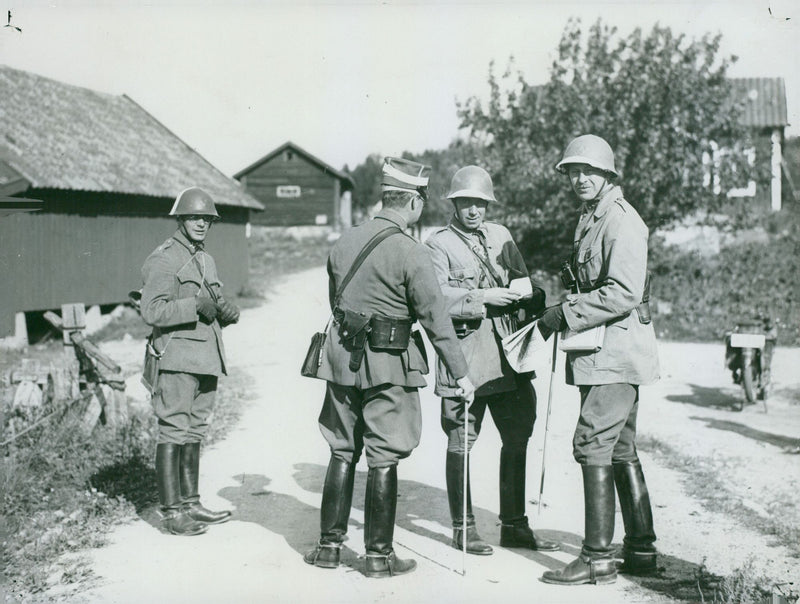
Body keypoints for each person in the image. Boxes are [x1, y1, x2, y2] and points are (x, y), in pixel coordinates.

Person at [303, 157, 475, 578]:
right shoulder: (411, 252)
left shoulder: (344, 241)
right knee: (383, 455)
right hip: (388, 363)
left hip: (342, 360)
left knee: (342, 448)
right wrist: (461, 374)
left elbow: (335, 303)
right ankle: (378, 556)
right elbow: (436, 319)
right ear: (414, 201)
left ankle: (328, 547)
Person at [538, 135, 660, 585]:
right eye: (573, 172)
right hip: (604, 351)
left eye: (588, 171)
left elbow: (624, 292)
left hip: (615, 352)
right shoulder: (592, 217)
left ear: (609, 175)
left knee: (592, 443)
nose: (579, 179)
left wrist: (565, 314)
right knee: (620, 447)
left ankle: (596, 558)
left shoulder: (621, 220)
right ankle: (641, 549)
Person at [424, 166, 559, 556]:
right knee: (462, 437)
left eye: (481, 203)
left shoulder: (501, 236)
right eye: (466, 202)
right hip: (467, 356)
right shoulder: (439, 245)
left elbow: (521, 278)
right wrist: (484, 299)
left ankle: (515, 526)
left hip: (509, 354)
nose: (474, 211)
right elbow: (434, 299)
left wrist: (530, 294)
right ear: (454, 203)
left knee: (518, 434)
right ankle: (463, 529)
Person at [140, 187, 240, 536]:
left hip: (206, 359)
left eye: (207, 219)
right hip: (177, 359)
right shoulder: (165, 258)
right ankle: (172, 513)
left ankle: (191, 504)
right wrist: (193, 305)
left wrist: (226, 311)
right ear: (180, 219)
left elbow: (213, 301)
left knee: (195, 430)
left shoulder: (205, 259)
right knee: (173, 430)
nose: (202, 224)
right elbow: (151, 310)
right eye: (195, 217)